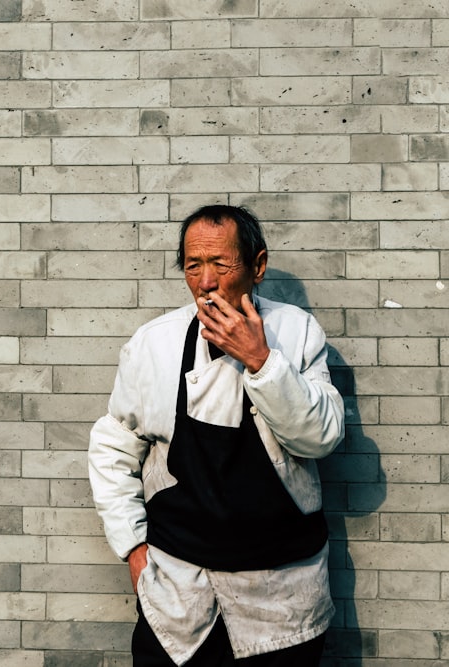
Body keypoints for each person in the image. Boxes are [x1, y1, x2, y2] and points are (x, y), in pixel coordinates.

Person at [88, 205, 345, 666]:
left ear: (257, 266)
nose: (206, 281)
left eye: (220, 265)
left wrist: (262, 361)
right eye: (193, 265)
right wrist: (133, 547)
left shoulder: (296, 332)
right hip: (180, 591)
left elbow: (320, 438)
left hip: (283, 595)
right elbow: (113, 446)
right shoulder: (154, 343)